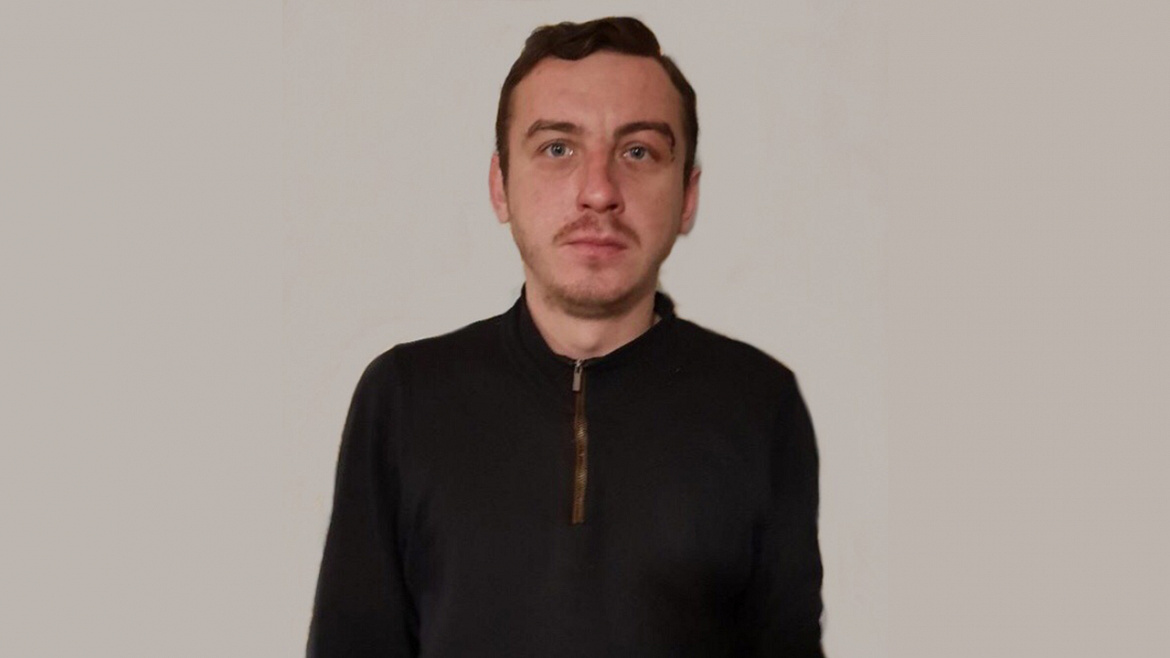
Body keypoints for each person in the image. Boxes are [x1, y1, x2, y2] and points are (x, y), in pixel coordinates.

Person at [308, 16, 824, 657]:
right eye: (558, 148)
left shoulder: (759, 404)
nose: (599, 191)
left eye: (638, 152)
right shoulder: (404, 398)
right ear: (500, 186)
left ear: (687, 196)